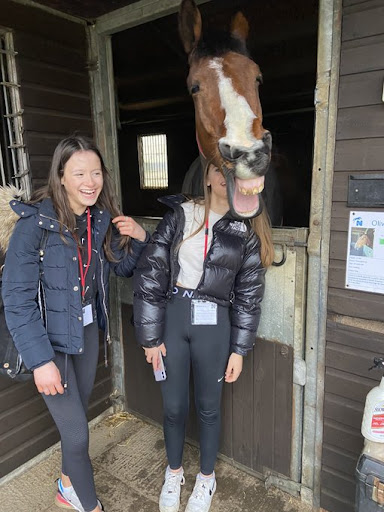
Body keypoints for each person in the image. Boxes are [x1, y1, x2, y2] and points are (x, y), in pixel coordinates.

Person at [2, 135, 148, 512]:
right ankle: (90, 505)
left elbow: (122, 268)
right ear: (61, 176)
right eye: (79, 172)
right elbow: (16, 300)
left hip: (85, 332)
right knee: (78, 434)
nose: (90, 181)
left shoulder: (97, 219)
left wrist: (140, 239)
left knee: (77, 421)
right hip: (49, 345)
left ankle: (67, 487)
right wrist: (40, 361)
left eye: (96, 172)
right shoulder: (33, 225)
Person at [133, 164, 274, 512]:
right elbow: (152, 272)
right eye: (218, 168)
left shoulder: (245, 229)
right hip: (174, 318)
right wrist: (150, 337)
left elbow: (249, 294)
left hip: (215, 323)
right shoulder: (182, 214)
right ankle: (174, 472)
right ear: (207, 175)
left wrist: (239, 349)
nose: (226, 176)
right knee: (174, 407)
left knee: (209, 408)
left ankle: (207, 479)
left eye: (234, 170)